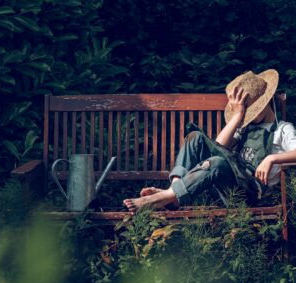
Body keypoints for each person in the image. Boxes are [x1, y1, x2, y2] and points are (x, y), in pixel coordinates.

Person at [123, 69, 296, 212]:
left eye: (250, 110)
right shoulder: (244, 129)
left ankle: (164, 197)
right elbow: (218, 146)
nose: (247, 116)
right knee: (195, 137)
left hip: (249, 194)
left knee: (217, 163)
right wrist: (238, 117)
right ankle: (173, 195)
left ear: (265, 103)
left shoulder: (282, 129)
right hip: (225, 186)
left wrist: (271, 158)